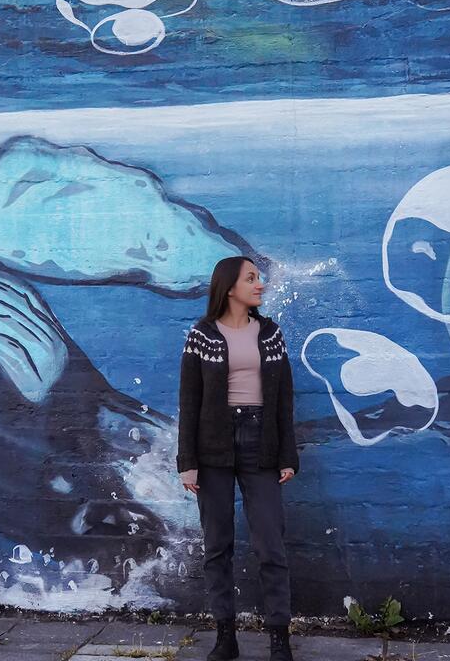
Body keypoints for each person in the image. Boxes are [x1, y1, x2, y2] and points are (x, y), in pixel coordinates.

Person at [177, 256, 299, 661]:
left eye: (259, 278)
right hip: (213, 445)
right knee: (218, 546)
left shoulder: (271, 334)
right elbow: (189, 401)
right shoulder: (201, 335)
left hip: (260, 441)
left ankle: (279, 639)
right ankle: (225, 637)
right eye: (251, 278)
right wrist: (187, 461)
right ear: (229, 287)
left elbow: (283, 400)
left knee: (270, 546)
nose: (259, 284)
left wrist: (287, 455)